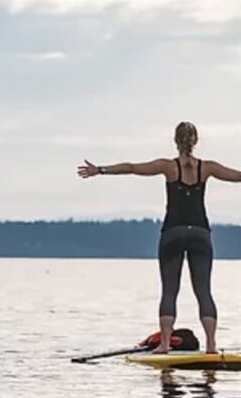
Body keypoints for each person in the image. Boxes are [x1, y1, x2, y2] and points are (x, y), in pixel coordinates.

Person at [78, 121, 239, 354]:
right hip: (200, 234)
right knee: (204, 291)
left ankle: (164, 344)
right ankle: (211, 346)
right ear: (196, 141)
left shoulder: (168, 167)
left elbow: (132, 167)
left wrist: (100, 170)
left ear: (176, 141)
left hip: (173, 232)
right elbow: (238, 176)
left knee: (169, 290)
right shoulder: (208, 168)